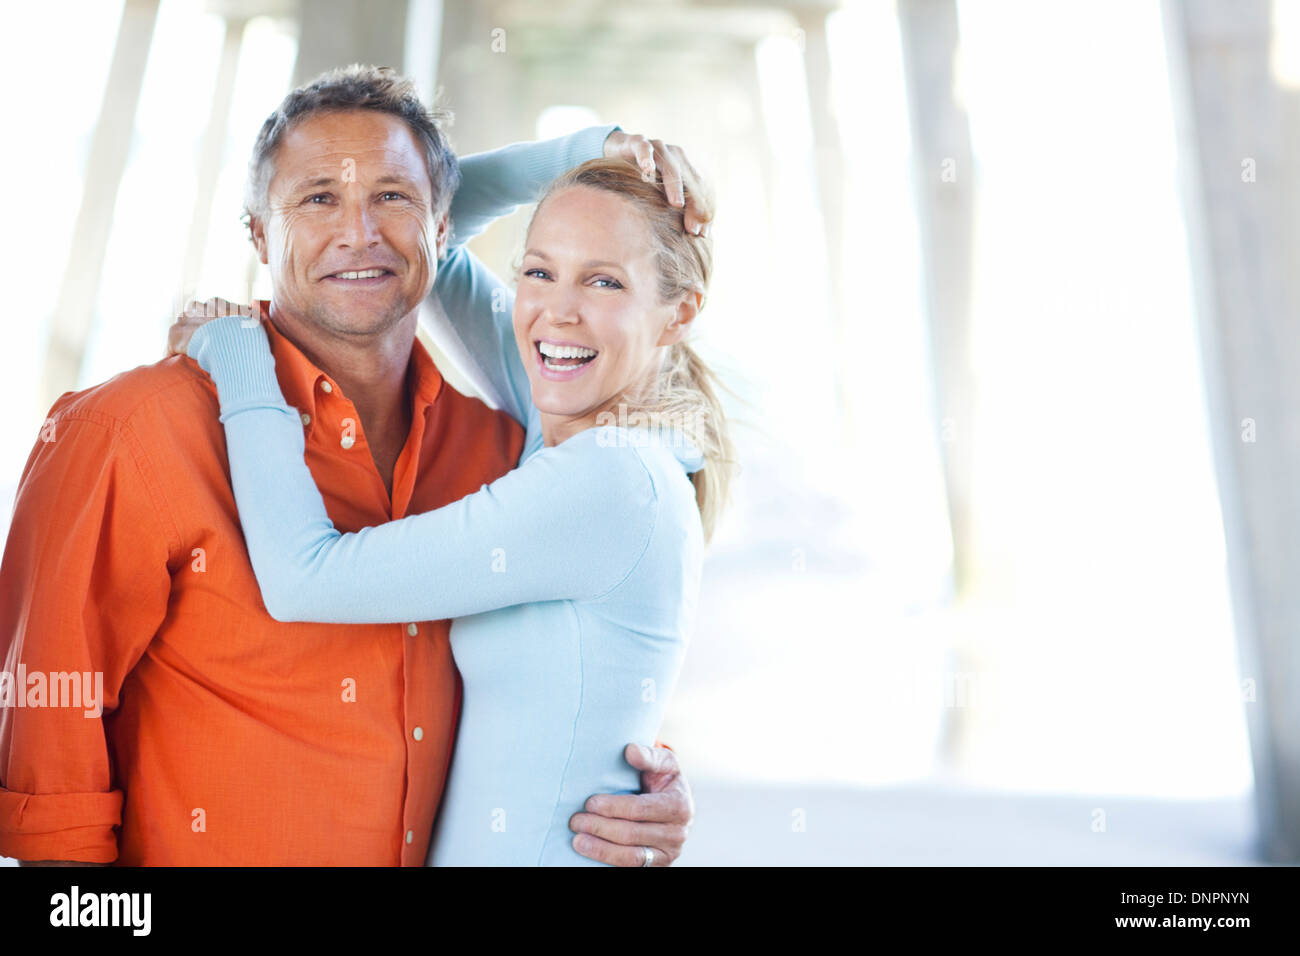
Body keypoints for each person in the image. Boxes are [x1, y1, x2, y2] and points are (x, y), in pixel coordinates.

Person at [0, 65, 700, 865]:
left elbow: (555, 682)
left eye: (393, 197)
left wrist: (632, 779)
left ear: (441, 230)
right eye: (317, 198)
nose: (359, 232)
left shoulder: (501, 454)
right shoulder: (129, 432)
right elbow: (49, 802)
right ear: (259, 236)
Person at [173, 148, 734, 865]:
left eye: (604, 280)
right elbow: (433, 219)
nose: (558, 310)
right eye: (539, 270)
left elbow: (301, 578)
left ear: (677, 315)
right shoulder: (570, 415)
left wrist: (239, 355)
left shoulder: (612, 477)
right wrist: (597, 146)